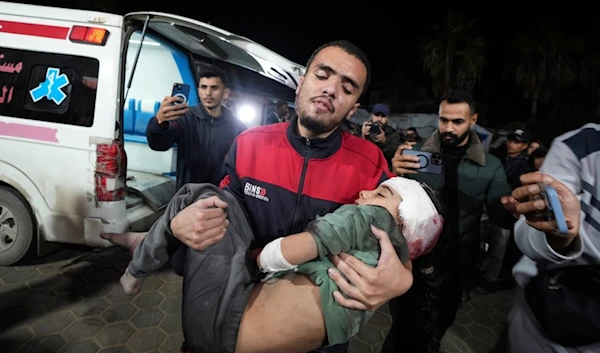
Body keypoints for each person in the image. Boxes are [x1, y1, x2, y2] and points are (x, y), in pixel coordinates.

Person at [166, 40, 415, 353]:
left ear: (353, 107)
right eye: (322, 75)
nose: (331, 89)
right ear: (301, 83)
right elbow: (221, 206)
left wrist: (402, 279)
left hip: (317, 333)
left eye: (347, 87)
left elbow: (406, 229)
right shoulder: (249, 143)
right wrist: (182, 222)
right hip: (241, 310)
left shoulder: (371, 162)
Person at [117, 177, 443, 352]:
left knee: (201, 193)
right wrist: (407, 280)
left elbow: (300, 246)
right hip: (251, 327)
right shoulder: (385, 263)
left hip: (221, 323)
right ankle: (153, 238)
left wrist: (259, 258)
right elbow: (419, 236)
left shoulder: (372, 216)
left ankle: (141, 258)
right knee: (222, 202)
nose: (365, 192)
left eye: (382, 192)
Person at [383, 89, 514, 353]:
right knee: (400, 328)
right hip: (413, 260)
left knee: (434, 331)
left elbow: (501, 212)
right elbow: (395, 198)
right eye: (444, 120)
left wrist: (512, 209)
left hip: (457, 265)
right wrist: (392, 171)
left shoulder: (491, 166)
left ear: (473, 120)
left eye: (458, 121)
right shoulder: (417, 154)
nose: (448, 127)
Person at [101, 64, 246, 274]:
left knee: (211, 261)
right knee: (181, 265)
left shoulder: (237, 127)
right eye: (203, 87)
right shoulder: (185, 118)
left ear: (225, 92)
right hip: (186, 199)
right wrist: (158, 122)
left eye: (214, 88)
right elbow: (159, 143)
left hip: (218, 202)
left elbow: (240, 165)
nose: (208, 93)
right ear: (197, 90)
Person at [502, 123, 600, 353]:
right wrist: (558, 237)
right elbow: (530, 233)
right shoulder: (580, 145)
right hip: (548, 320)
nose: (512, 145)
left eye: (518, 141)